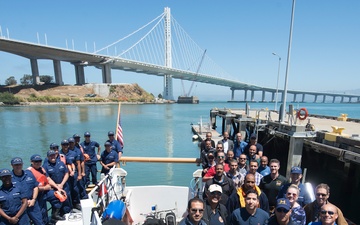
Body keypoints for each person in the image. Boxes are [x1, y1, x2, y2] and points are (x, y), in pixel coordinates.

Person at [28, 154, 64, 223]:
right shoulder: (29, 172)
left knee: (59, 196)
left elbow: (48, 179)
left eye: (39, 161)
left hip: (46, 192)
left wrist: (58, 188)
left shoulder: (42, 169)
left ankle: (55, 215)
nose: (38, 163)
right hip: (37, 195)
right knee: (42, 212)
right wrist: (45, 188)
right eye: (36, 162)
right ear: (31, 162)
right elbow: (33, 188)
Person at [11, 157, 44, 225]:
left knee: (39, 222)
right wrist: (23, 202)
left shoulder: (29, 173)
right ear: (12, 165)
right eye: (16, 165)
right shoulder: (9, 178)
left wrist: (33, 200)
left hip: (32, 204)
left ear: (22, 164)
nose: (18, 166)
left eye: (19, 164)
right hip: (19, 206)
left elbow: (35, 187)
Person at [43, 150, 72, 215]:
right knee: (57, 203)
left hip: (64, 185)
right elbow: (47, 179)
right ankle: (56, 216)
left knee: (67, 201)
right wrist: (57, 186)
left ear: (56, 155)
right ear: (47, 157)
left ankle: (67, 214)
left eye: (53, 155)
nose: (52, 157)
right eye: (50, 156)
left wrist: (62, 184)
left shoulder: (61, 163)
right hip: (54, 188)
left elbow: (66, 173)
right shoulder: (45, 166)